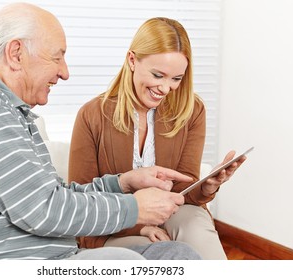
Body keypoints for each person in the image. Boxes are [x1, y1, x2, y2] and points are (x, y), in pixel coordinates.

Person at [0, 3, 203, 260]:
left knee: (177, 255)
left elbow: (54, 195)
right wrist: (134, 208)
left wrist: (123, 183)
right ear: (16, 54)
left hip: (52, 252)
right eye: (57, 57)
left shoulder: (5, 109)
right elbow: (43, 210)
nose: (65, 72)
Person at [68, 17, 247, 259]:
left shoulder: (191, 110)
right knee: (165, 254)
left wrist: (206, 187)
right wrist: (138, 224)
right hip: (115, 225)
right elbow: (81, 203)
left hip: (174, 212)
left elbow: (185, 192)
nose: (165, 88)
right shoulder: (92, 115)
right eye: (158, 75)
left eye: (176, 79)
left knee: (199, 233)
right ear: (132, 60)